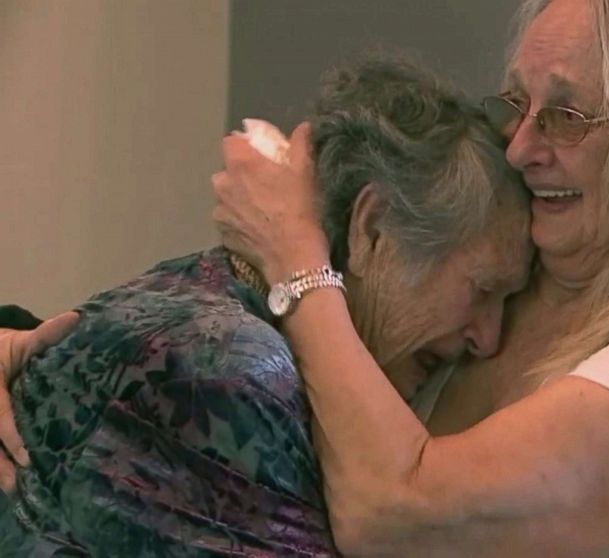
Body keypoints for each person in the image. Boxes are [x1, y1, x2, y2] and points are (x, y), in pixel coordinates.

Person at [212, 0, 609, 555]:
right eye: (518, 104)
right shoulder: (508, 279)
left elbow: (399, 520)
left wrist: (294, 253)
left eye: (566, 115)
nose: (518, 149)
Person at [0, 60, 533, 556]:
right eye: (482, 290)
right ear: (371, 230)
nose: (488, 339)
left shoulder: (212, 299)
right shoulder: (228, 365)